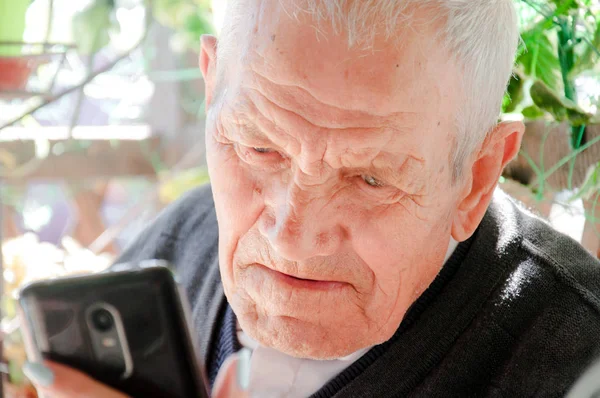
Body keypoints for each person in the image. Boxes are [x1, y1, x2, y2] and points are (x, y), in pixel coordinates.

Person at [22, 0, 600, 396]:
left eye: (370, 179)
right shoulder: (178, 245)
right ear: (211, 87)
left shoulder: (578, 355)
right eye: (258, 148)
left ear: (476, 178)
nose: (290, 235)